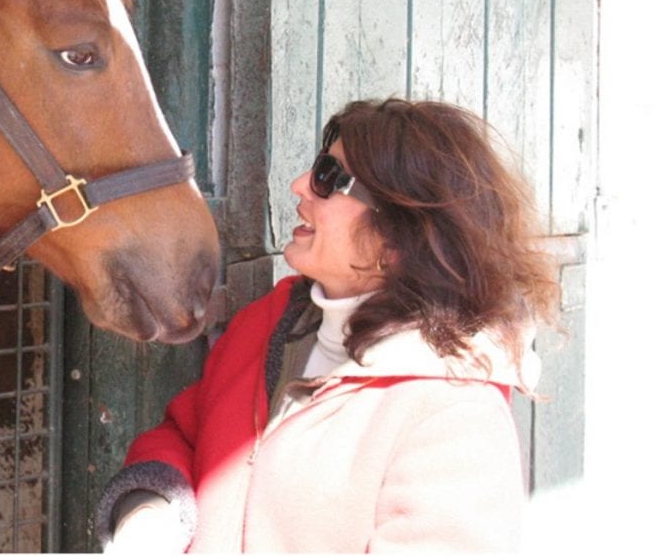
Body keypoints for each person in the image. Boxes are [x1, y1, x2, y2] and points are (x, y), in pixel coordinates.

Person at [95, 98, 559, 553]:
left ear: (400, 231)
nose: (299, 185)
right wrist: (151, 510)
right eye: (319, 166)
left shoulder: (454, 412)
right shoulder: (271, 324)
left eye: (329, 179)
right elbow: (186, 435)